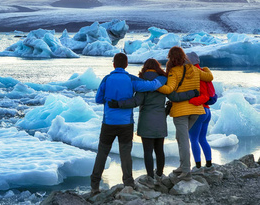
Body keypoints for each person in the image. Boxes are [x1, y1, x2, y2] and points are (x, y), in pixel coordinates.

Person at [90, 53, 166, 195]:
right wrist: (163, 78)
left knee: (102, 153)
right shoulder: (131, 79)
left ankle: (94, 186)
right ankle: (128, 183)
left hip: (108, 123)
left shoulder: (106, 79)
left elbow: (98, 99)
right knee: (125, 154)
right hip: (126, 124)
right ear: (126, 64)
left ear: (113, 64)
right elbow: (151, 86)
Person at [114, 58, 198, 187]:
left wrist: (118, 104)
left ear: (145, 68)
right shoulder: (162, 83)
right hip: (160, 120)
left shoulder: (142, 83)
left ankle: (150, 177)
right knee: (159, 150)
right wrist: (193, 93)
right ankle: (159, 174)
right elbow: (176, 97)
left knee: (148, 151)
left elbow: (135, 102)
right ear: (158, 68)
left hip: (146, 122)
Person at [157, 46, 213, 181]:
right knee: (179, 137)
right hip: (196, 111)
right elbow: (209, 77)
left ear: (171, 57)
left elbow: (169, 89)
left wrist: (155, 85)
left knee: (183, 141)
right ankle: (182, 166)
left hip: (181, 112)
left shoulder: (174, 72)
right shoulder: (195, 69)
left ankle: (186, 171)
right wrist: (204, 68)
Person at [185, 52, 215, 173]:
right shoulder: (205, 73)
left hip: (199, 110)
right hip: (207, 111)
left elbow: (203, 95)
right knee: (202, 138)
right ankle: (209, 164)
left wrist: (190, 100)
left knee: (193, 139)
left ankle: (198, 167)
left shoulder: (195, 75)